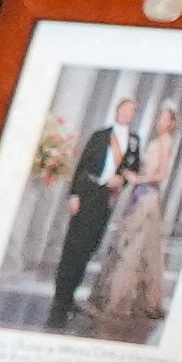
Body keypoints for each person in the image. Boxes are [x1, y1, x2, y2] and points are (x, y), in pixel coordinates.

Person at [38, 107, 139, 331]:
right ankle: (60, 299)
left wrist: (121, 179)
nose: (127, 115)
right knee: (73, 247)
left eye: (131, 112)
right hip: (86, 193)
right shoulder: (100, 136)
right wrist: (74, 194)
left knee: (88, 248)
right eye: (124, 110)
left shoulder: (133, 141)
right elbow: (82, 166)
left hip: (105, 200)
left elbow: (133, 168)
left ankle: (70, 294)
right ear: (116, 113)